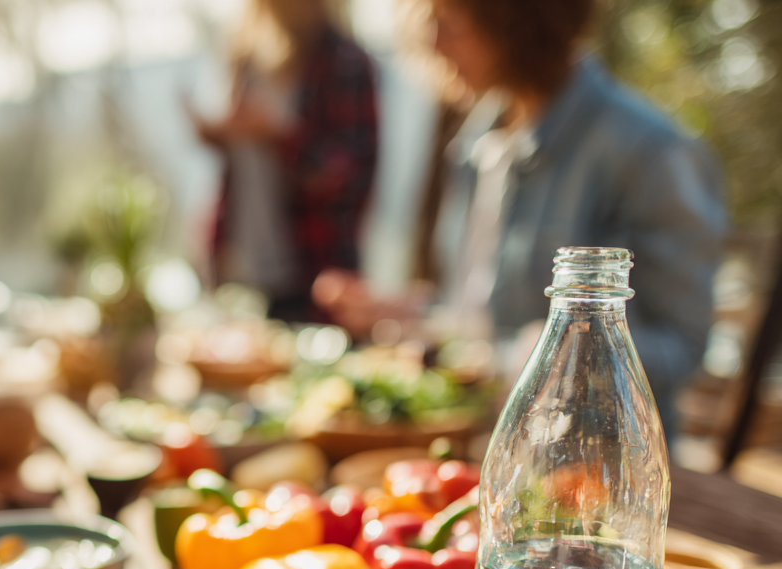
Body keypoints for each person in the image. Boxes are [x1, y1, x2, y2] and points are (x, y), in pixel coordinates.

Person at [328, 0, 726, 438]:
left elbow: (682, 348)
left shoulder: (650, 153)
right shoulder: (477, 140)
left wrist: (561, 348)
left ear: (520, 21)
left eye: (450, 24)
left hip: (590, 456)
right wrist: (408, 311)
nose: (433, 43)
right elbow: (481, 316)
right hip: (478, 434)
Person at [191, 0, 378, 323]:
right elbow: (240, 168)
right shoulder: (245, 56)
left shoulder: (344, 62)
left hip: (312, 273)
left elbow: (349, 178)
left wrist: (281, 135)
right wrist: (219, 134)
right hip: (240, 267)